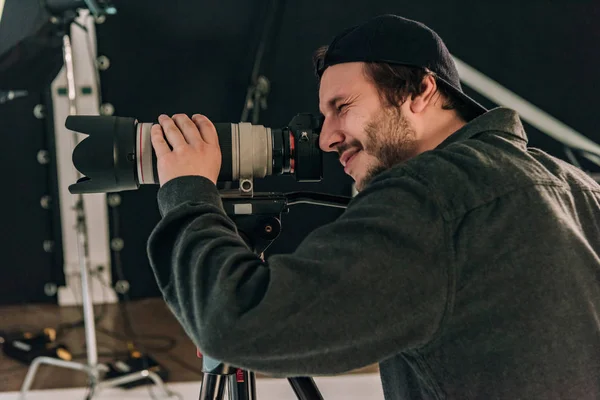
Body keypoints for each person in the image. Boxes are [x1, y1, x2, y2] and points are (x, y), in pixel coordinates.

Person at [146, 14, 600, 400]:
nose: (326, 138)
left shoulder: (431, 195)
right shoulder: (574, 186)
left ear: (419, 92)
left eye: (342, 106)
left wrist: (188, 187)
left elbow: (233, 325)